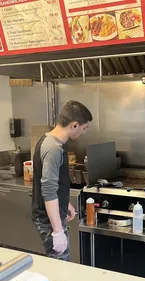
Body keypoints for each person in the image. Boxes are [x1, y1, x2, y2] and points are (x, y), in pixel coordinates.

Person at [32, 100, 92, 261]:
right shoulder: (53, 148)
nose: (84, 132)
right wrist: (57, 231)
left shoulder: (56, 141)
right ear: (74, 125)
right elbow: (49, 190)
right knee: (60, 265)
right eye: (84, 128)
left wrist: (66, 204)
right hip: (48, 220)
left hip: (56, 213)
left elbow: (56, 184)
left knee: (61, 264)